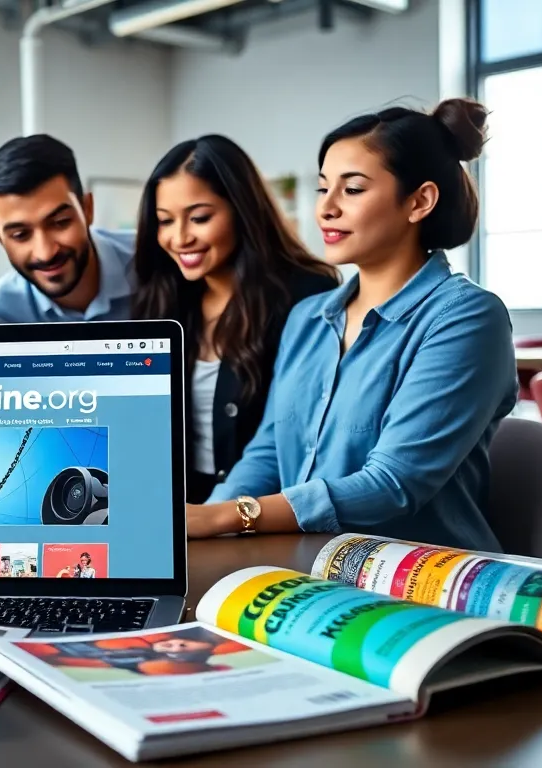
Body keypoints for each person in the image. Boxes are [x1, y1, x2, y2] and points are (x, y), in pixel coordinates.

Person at [186, 98, 517, 552]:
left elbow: (393, 483)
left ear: (419, 201)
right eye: (323, 189)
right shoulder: (308, 317)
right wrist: (200, 523)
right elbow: (267, 453)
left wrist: (231, 515)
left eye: (353, 189)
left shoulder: (466, 318)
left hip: (414, 575)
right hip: (304, 562)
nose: (326, 208)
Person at [132, 135, 339, 502]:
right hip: (181, 505)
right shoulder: (164, 298)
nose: (180, 237)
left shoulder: (304, 294)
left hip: (267, 508)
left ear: (241, 209)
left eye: (199, 218)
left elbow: (294, 434)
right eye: (165, 221)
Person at [0, 135, 136, 322]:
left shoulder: (157, 260)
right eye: (20, 235)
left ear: (87, 209)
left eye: (61, 222)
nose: (45, 253)